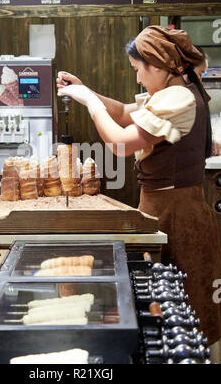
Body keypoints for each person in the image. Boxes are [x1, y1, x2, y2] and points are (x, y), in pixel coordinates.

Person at [57, 25, 221, 346]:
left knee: (183, 305)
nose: (137, 79)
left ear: (158, 65)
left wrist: (91, 103)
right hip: (164, 209)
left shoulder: (178, 99)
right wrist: (86, 90)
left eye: (138, 70)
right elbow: (120, 113)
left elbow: (120, 143)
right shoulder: (175, 88)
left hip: (177, 214)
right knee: (164, 300)